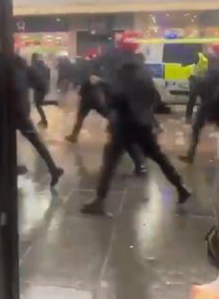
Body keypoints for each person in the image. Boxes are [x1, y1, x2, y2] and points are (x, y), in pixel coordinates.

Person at [81, 60, 190, 215]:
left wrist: (104, 90)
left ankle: (99, 201)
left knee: (109, 163)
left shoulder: (121, 75)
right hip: (143, 124)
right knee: (159, 158)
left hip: (124, 125)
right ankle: (181, 187)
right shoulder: (145, 75)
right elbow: (152, 98)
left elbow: (116, 99)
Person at [66, 74, 147, 176]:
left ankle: (137, 164)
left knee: (121, 140)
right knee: (122, 139)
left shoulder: (106, 81)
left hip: (98, 103)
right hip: (98, 103)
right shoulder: (109, 81)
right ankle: (138, 164)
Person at [13, 54, 63, 187]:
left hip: (7, 113)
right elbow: (41, 85)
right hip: (22, 112)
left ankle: (12, 168)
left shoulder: (2, 67)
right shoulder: (24, 68)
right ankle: (53, 169)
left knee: (5, 142)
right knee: (36, 142)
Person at [180, 63, 219, 163]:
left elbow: (193, 96)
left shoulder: (203, 81)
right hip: (216, 109)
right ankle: (190, 155)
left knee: (196, 129)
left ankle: (190, 155)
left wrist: (188, 113)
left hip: (205, 108)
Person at [185, 51, 208, 122]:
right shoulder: (199, 56)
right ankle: (188, 117)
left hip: (203, 81)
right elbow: (189, 63)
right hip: (196, 80)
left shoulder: (211, 57)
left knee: (205, 99)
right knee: (192, 99)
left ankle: (202, 116)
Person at [31, 53, 50, 128]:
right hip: (43, 87)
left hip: (38, 87)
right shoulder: (44, 65)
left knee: (38, 104)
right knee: (38, 103)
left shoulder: (34, 66)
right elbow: (48, 76)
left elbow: (33, 76)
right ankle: (43, 119)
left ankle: (44, 120)